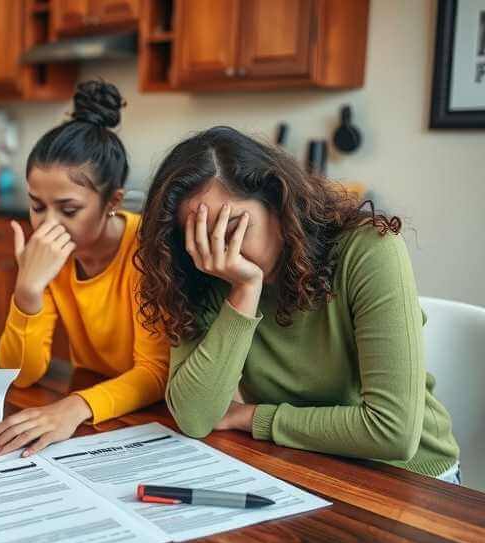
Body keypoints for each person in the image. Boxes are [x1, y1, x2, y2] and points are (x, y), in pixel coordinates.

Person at [136, 126, 460, 482]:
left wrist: (249, 417)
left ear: (277, 200)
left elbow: (392, 432)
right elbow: (195, 418)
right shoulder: (208, 274)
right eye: (200, 240)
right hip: (305, 466)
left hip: (409, 480)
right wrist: (244, 289)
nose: (221, 254)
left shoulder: (369, 250)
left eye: (231, 231)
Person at [0, 80, 170, 458]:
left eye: (69, 210)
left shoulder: (149, 250)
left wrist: (74, 408)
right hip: (102, 406)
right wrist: (27, 293)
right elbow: (21, 375)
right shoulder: (49, 256)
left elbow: (156, 372)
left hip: (154, 419)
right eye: (37, 206)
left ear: (112, 201)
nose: (49, 225)